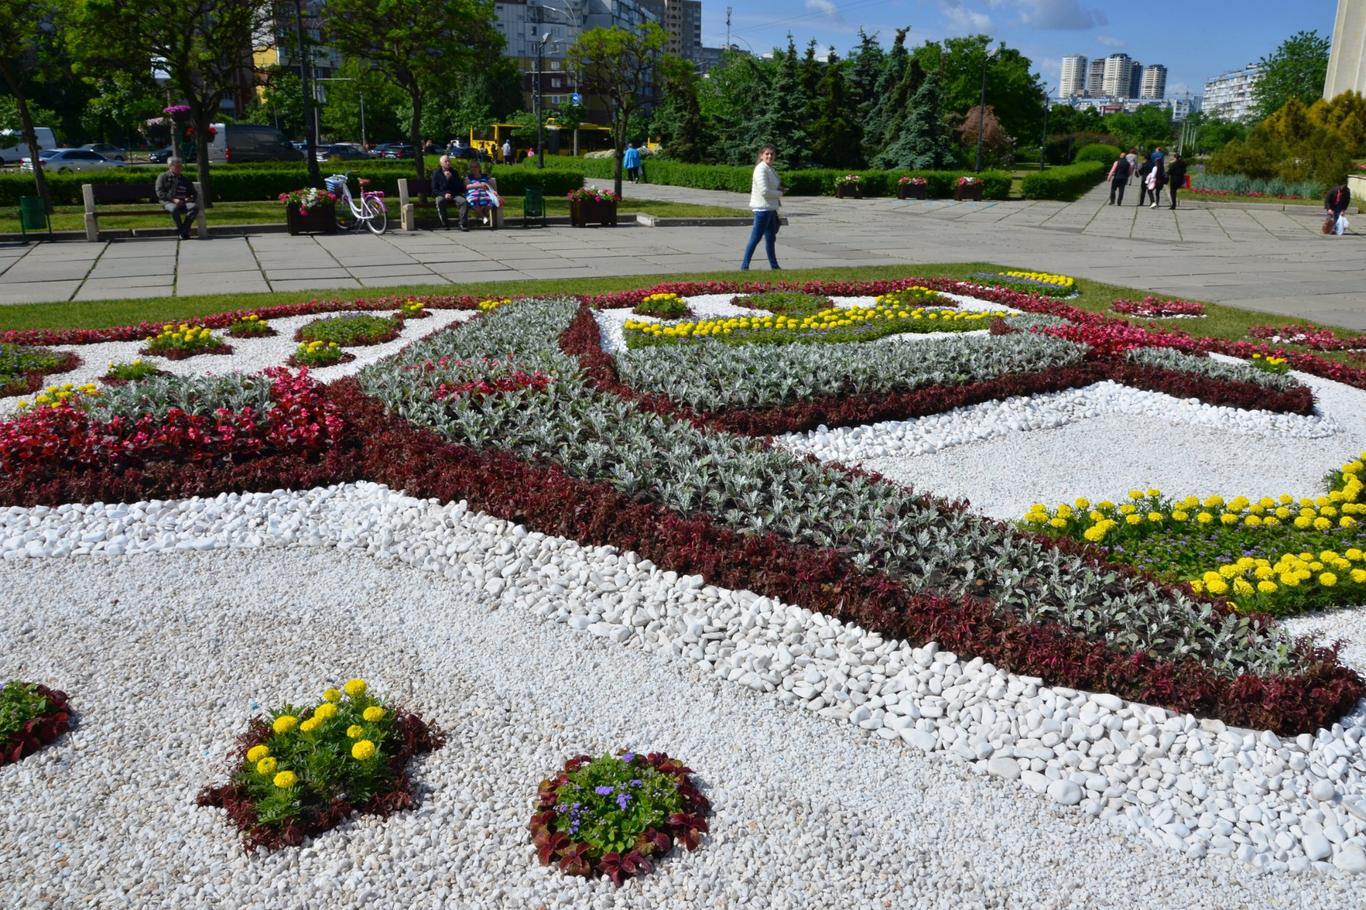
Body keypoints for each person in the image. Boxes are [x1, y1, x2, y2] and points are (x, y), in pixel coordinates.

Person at [740, 144, 782, 271]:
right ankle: (744, 266)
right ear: (761, 156)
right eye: (767, 154)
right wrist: (780, 193)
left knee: (770, 239)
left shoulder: (770, 169)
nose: (770, 156)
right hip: (762, 209)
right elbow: (764, 191)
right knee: (755, 238)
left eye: (772, 154)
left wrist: (779, 189)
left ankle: (774, 266)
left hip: (770, 208)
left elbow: (772, 186)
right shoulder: (760, 169)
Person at [155, 157, 198, 240]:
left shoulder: (185, 179)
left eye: (180, 166)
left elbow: (194, 193)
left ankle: (182, 231)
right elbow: (160, 193)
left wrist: (190, 198)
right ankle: (183, 232)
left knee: (194, 207)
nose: (179, 168)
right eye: (177, 166)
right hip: (168, 202)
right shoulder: (163, 177)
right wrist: (173, 200)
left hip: (184, 202)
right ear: (170, 166)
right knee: (174, 208)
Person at [431, 154, 468, 230]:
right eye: (446, 161)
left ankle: (462, 224)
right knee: (439, 201)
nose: (448, 163)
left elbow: (459, 187)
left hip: (454, 194)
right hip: (442, 195)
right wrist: (444, 194)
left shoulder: (454, 172)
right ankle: (445, 224)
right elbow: (434, 190)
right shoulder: (436, 174)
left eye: (449, 161)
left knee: (463, 201)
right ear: (441, 164)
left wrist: (451, 178)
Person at [464, 159, 501, 229]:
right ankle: (483, 217)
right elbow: (467, 186)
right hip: (473, 194)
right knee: (472, 201)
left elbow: (490, 186)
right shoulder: (468, 177)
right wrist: (479, 185)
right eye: (471, 167)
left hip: (484, 193)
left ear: (479, 168)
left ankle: (481, 216)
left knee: (491, 202)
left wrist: (493, 191)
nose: (473, 169)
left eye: (475, 167)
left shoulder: (485, 176)